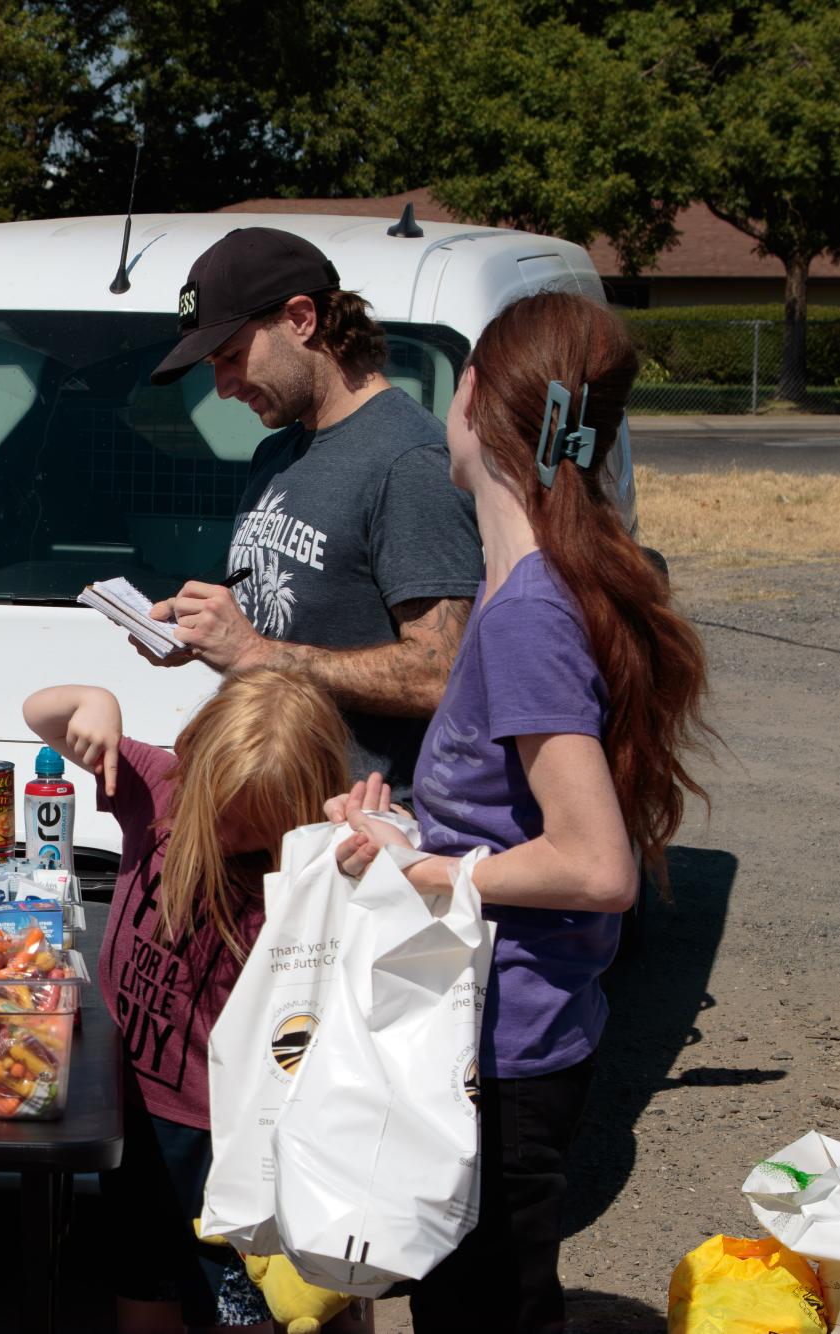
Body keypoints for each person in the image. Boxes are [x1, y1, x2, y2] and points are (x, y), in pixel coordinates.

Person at [335, 292, 712, 1334]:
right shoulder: (533, 587)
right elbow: (514, 812)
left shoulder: (529, 613)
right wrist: (403, 822)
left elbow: (597, 866)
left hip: (506, 1050)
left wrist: (429, 873)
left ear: (475, 404)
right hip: (509, 1034)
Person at [23, 670, 356, 1334]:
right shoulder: (157, 786)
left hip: (236, 1135)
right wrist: (97, 699)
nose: (231, 836)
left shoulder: (313, 867)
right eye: (224, 812)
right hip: (133, 1108)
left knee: (249, 1306)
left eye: (256, 826)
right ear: (193, 758)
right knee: (142, 1279)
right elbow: (41, 714)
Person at [142, 227, 482, 799]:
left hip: (359, 841)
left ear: (301, 318)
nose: (223, 386)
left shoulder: (410, 461)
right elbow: (285, 622)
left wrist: (255, 653)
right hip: (269, 818)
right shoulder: (277, 453)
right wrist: (207, 630)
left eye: (230, 355)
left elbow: (443, 672)